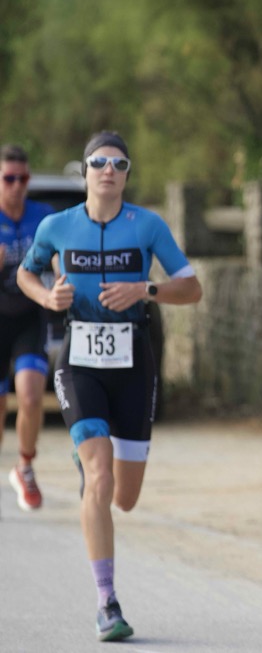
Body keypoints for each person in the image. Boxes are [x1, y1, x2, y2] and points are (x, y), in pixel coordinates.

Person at [18, 130, 202, 642]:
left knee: (125, 496)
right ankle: (107, 602)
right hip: (78, 361)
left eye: (119, 164)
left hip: (133, 363)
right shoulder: (57, 226)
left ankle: (93, 464)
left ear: (127, 175)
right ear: (85, 171)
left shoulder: (147, 225)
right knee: (99, 478)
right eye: (99, 162)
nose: (108, 171)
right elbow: (27, 275)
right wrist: (47, 298)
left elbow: (192, 288)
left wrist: (146, 289)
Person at [0, 144, 56, 514]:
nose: (17, 185)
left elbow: (60, 253)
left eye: (23, 178)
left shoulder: (44, 216)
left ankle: (25, 466)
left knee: (32, 396)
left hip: (29, 318)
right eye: (9, 178)